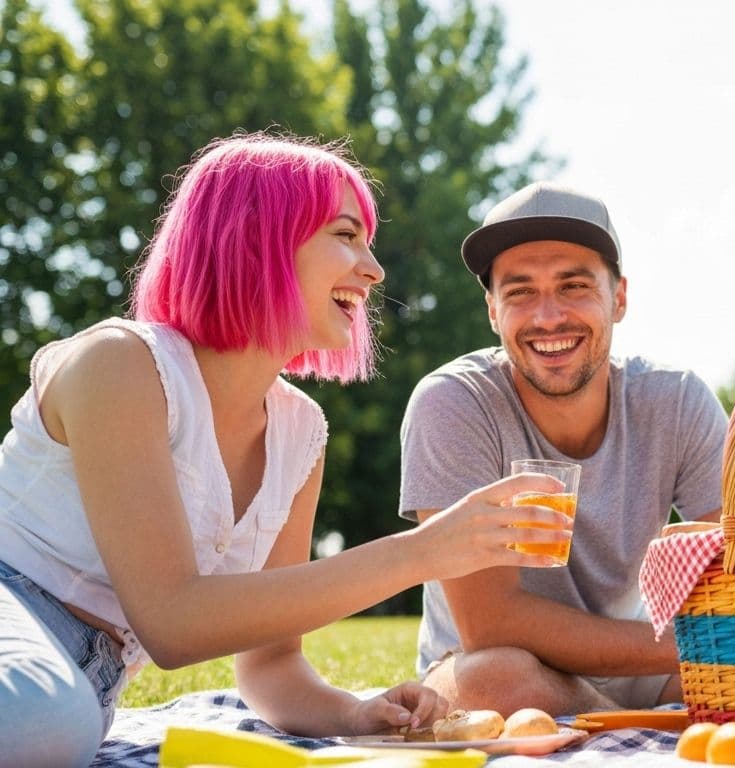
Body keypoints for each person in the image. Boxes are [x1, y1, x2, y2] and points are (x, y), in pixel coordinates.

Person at [0, 133, 572, 766]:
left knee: (55, 723)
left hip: (83, 685)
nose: (374, 270)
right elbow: (172, 620)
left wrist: (356, 714)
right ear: (257, 238)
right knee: (40, 720)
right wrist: (424, 552)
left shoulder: (301, 432)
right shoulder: (119, 365)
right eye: (346, 236)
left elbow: (271, 663)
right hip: (14, 609)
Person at [399, 181, 735, 716]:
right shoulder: (454, 403)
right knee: (494, 681)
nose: (548, 317)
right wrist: (707, 645)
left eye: (573, 286)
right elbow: (490, 623)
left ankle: (610, 727)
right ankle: (625, 731)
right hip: (497, 668)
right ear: (493, 311)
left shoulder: (676, 399)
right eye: (520, 291)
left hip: (640, 668)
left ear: (618, 298)